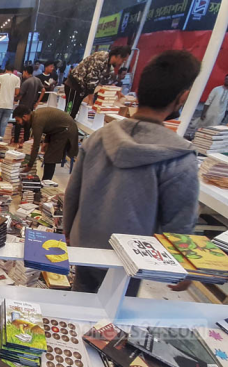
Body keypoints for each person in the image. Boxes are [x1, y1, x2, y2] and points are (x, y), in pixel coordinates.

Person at [63, 50, 201, 297]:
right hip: (132, 256)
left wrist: (68, 230)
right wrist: (183, 261)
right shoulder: (179, 156)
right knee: (116, 308)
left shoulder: (99, 137)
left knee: (81, 301)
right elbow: (180, 218)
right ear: (182, 96)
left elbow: (73, 192)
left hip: (86, 244)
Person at [65, 46, 131, 119]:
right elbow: (91, 79)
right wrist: (91, 100)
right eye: (123, 60)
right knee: (69, 112)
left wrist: (118, 92)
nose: (121, 63)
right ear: (118, 56)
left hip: (82, 89)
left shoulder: (109, 67)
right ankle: (64, 124)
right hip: (74, 84)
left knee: (73, 113)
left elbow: (109, 81)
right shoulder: (101, 58)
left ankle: (68, 123)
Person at [13, 106, 78, 180]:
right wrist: (46, 141)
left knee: (50, 158)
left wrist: (29, 166)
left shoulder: (37, 121)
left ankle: (46, 182)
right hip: (59, 130)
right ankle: (46, 180)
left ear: (24, 117)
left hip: (66, 130)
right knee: (48, 157)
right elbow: (51, 125)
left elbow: (36, 146)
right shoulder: (35, 116)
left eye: (18, 120)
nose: (19, 123)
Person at [14, 66, 45, 145]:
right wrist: (37, 102)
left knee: (18, 123)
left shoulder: (26, 82)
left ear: (26, 71)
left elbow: (20, 95)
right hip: (31, 107)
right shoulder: (37, 80)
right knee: (27, 126)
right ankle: (26, 143)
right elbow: (43, 90)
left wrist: (14, 98)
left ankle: (16, 142)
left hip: (23, 107)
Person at [0, 65, 20, 139]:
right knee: (3, 125)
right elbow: (17, 92)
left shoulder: (1, 77)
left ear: (6, 70)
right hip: (9, 105)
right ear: (13, 70)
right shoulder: (17, 78)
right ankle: (1, 142)